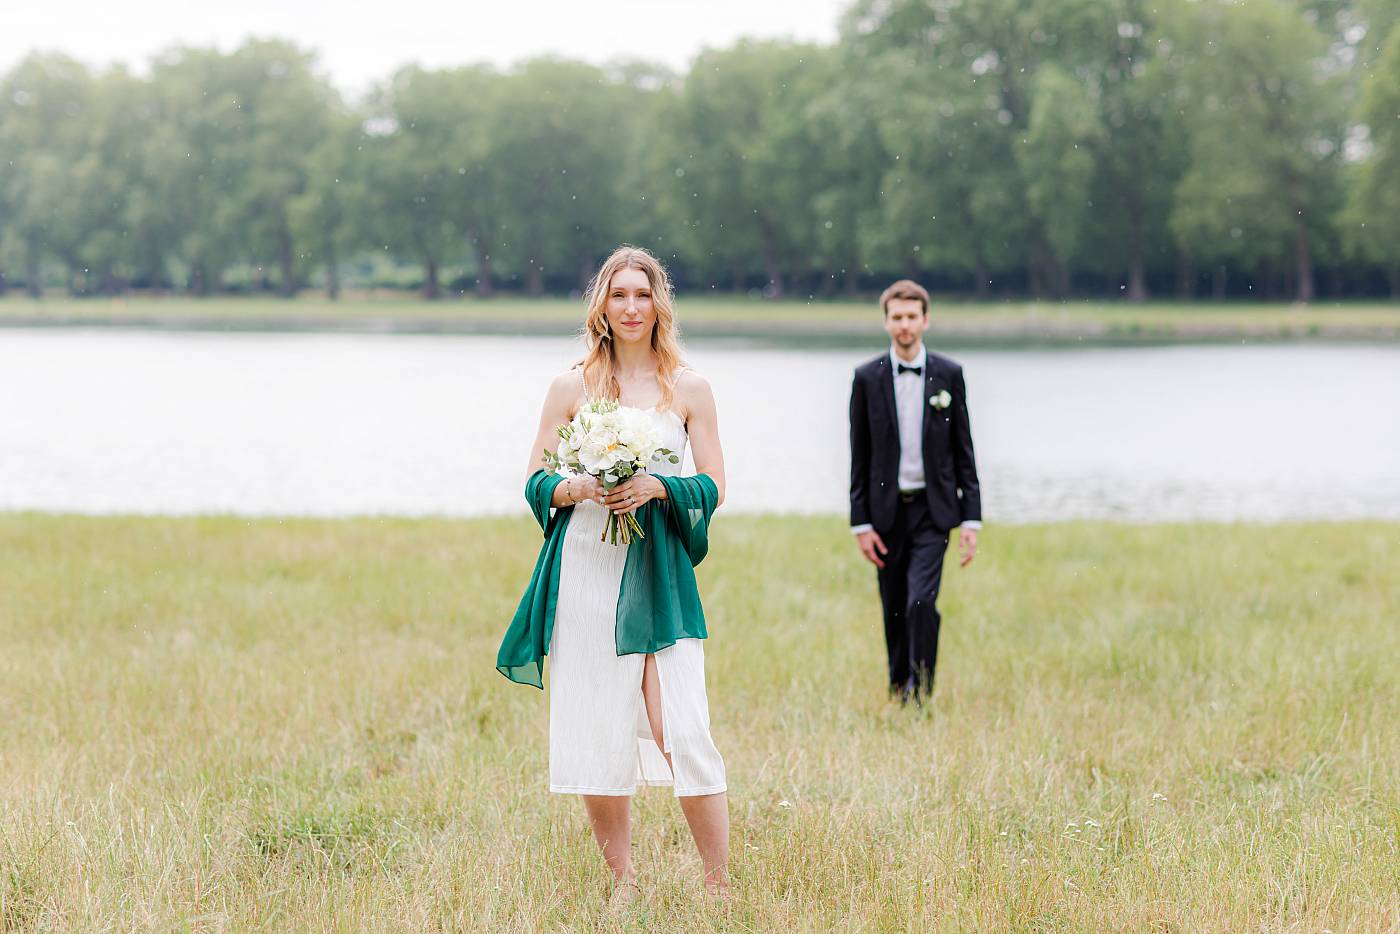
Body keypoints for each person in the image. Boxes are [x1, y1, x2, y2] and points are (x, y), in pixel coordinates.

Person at [496, 245, 730, 904]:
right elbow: (536, 480)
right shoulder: (571, 386)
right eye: (619, 294)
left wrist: (658, 485)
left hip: (656, 569)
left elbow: (713, 483)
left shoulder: (689, 388)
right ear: (602, 304)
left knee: (682, 728)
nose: (631, 307)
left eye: (643, 293)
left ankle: (719, 887)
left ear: (660, 303)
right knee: (598, 724)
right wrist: (579, 487)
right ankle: (623, 883)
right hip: (588, 566)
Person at [848, 279, 982, 704]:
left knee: (921, 601)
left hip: (933, 511)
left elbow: (965, 449)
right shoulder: (867, 378)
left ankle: (920, 690)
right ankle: (897, 684)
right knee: (893, 604)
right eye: (896, 317)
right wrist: (861, 522)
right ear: (886, 322)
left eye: (911, 317)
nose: (904, 325)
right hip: (885, 512)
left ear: (925, 320)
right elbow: (860, 455)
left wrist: (971, 518)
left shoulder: (949, 375)